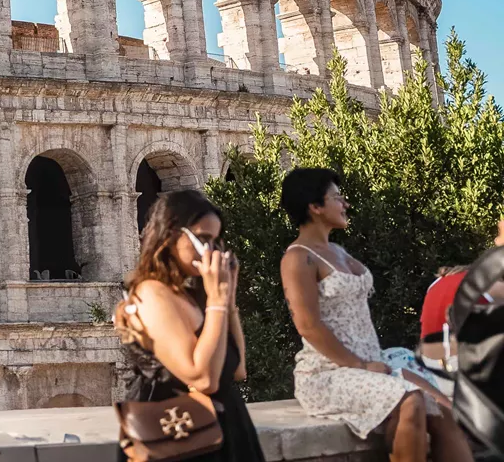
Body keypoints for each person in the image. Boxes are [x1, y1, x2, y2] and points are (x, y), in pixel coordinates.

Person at [279, 168, 471, 462]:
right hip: (329, 372)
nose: (345, 205)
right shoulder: (297, 257)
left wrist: (370, 363)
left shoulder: (339, 251)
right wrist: (360, 365)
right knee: (411, 401)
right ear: (314, 207)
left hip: (374, 361)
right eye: (338, 198)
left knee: (445, 409)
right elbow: (308, 325)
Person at [114, 190, 265, 462]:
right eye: (203, 239)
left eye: (216, 241)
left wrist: (227, 300)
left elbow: (238, 368)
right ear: (171, 235)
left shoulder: (193, 295)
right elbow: (202, 378)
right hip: (178, 438)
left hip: (225, 430)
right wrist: (217, 301)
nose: (211, 251)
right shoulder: (151, 293)